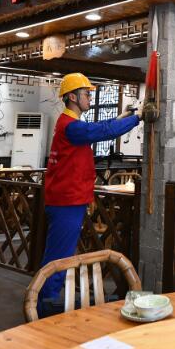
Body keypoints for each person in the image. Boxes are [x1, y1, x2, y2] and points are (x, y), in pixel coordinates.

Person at [37, 73, 140, 315]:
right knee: (58, 258)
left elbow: (97, 129)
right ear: (72, 97)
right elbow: (102, 131)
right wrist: (137, 118)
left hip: (68, 199)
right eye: (86, 94)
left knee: (59, 254)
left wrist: (123, 116)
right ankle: (42, 309)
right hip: (66, 201)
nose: (90, 98)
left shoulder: (69, 123)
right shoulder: (71, 126)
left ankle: (44, 304)